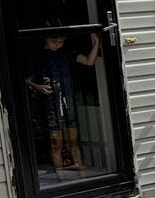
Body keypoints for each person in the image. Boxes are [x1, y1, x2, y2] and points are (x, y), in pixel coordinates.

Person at [26, 30, 101, 176]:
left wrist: (97, 43)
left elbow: (89, 61)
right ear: (45, 40)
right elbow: (25, 78)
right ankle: (59, 174)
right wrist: (37, 86)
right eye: (54, 42)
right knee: (56, 142)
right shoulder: (37, 56)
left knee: (73, 140)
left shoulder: (67, 53)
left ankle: (81, 172)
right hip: (49, 103)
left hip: (68, 102)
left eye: (60, 42)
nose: (57, 45)